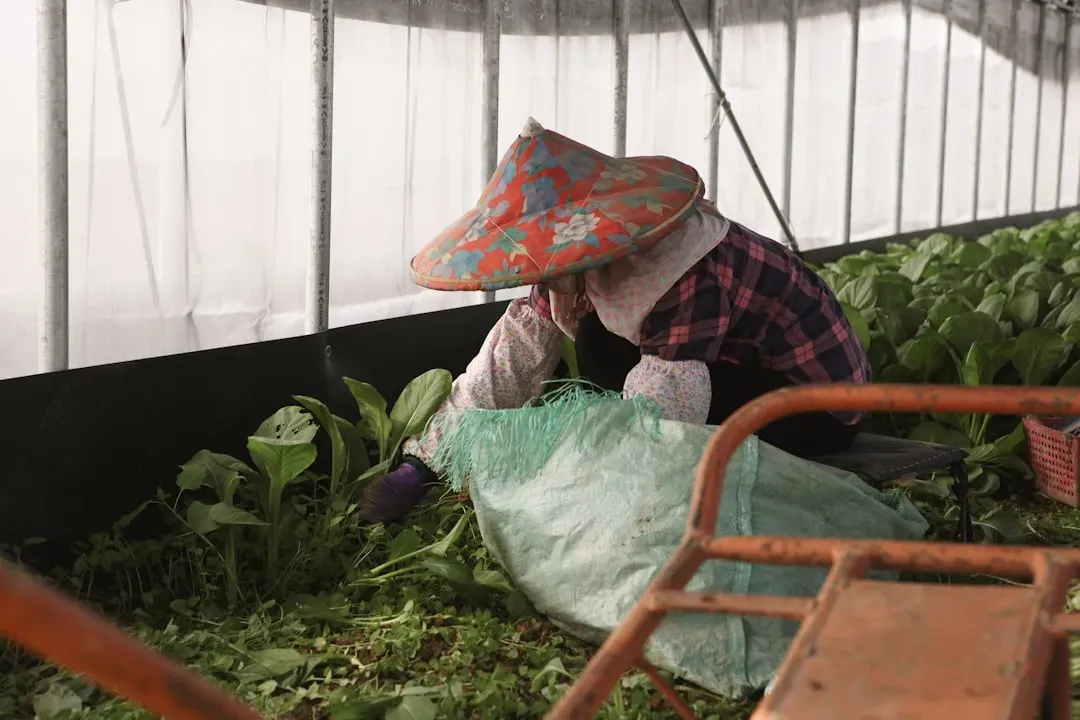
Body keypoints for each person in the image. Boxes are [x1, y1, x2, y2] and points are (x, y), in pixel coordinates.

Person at [359, 118, 870, 524]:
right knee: (597, 344)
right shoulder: (572, 266)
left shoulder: (683, 266)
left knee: (602, 355)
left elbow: (669, 407)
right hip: (741, 373)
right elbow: (510, 363)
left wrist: (605, 492)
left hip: (815, 406)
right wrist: (424, 463)